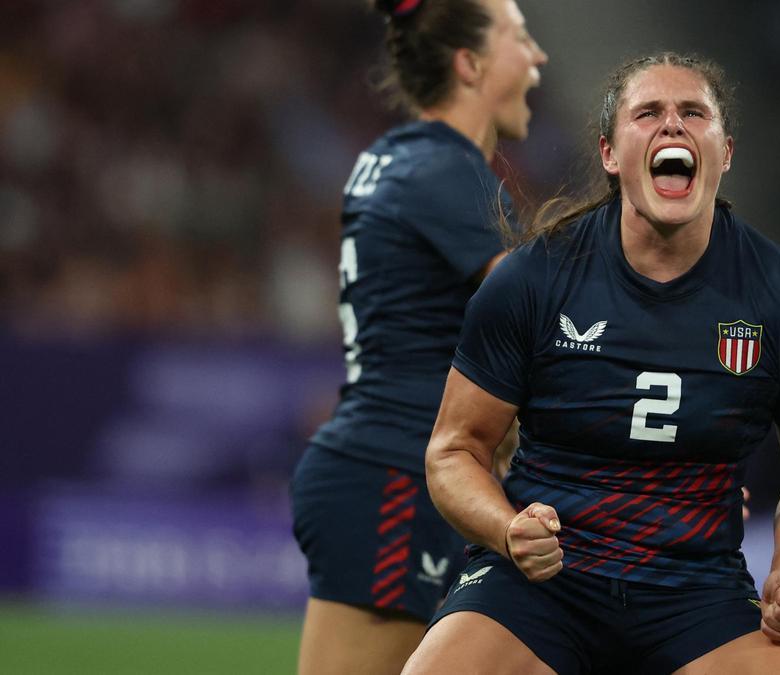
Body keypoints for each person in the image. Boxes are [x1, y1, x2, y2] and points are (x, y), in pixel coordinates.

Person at [404, 52, 780, 675]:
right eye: (650, 113)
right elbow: (452, 452)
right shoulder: (534, 279)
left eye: (694, 113)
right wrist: (508, 530)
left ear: (725, 153)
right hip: (542, 588)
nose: (673, 126)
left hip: (697, 595)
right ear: (611, 154)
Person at [288, 1, 546, 673]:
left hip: (392, 471)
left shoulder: (391, 157)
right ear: (470, 64)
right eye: (520, 38)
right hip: (395, 479)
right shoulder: (447, 171)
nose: (539, 57)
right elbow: (539, 333)